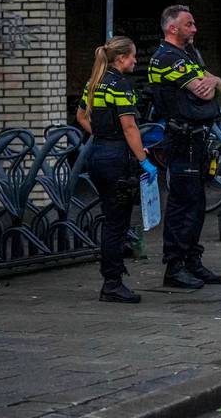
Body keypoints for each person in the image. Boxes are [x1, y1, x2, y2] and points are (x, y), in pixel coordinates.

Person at [75, 36, 157, 304]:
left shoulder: (94, 82)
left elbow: (80, 116)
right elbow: (129, 127)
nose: (135, 60)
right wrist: (142, 158)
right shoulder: (120, 85)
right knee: (116, 223)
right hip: (116, 159)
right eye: (132, 56)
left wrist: (101, 133)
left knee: (111, 218)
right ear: (121, 58)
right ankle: (112, 283)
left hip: (97, 154)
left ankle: (113, 279)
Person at [147, 5, 221, 289]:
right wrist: (210, 84)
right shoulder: (166, 57)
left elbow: (216, 85)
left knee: (197, 202)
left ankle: (192, 259)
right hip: (182, 139)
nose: (194, 29)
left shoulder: (189, 54)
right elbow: (201, 90)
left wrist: (213, 82)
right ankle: (175, 266)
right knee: (182, 203)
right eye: (189, 24)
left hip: (198, 138)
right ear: (172, 28)